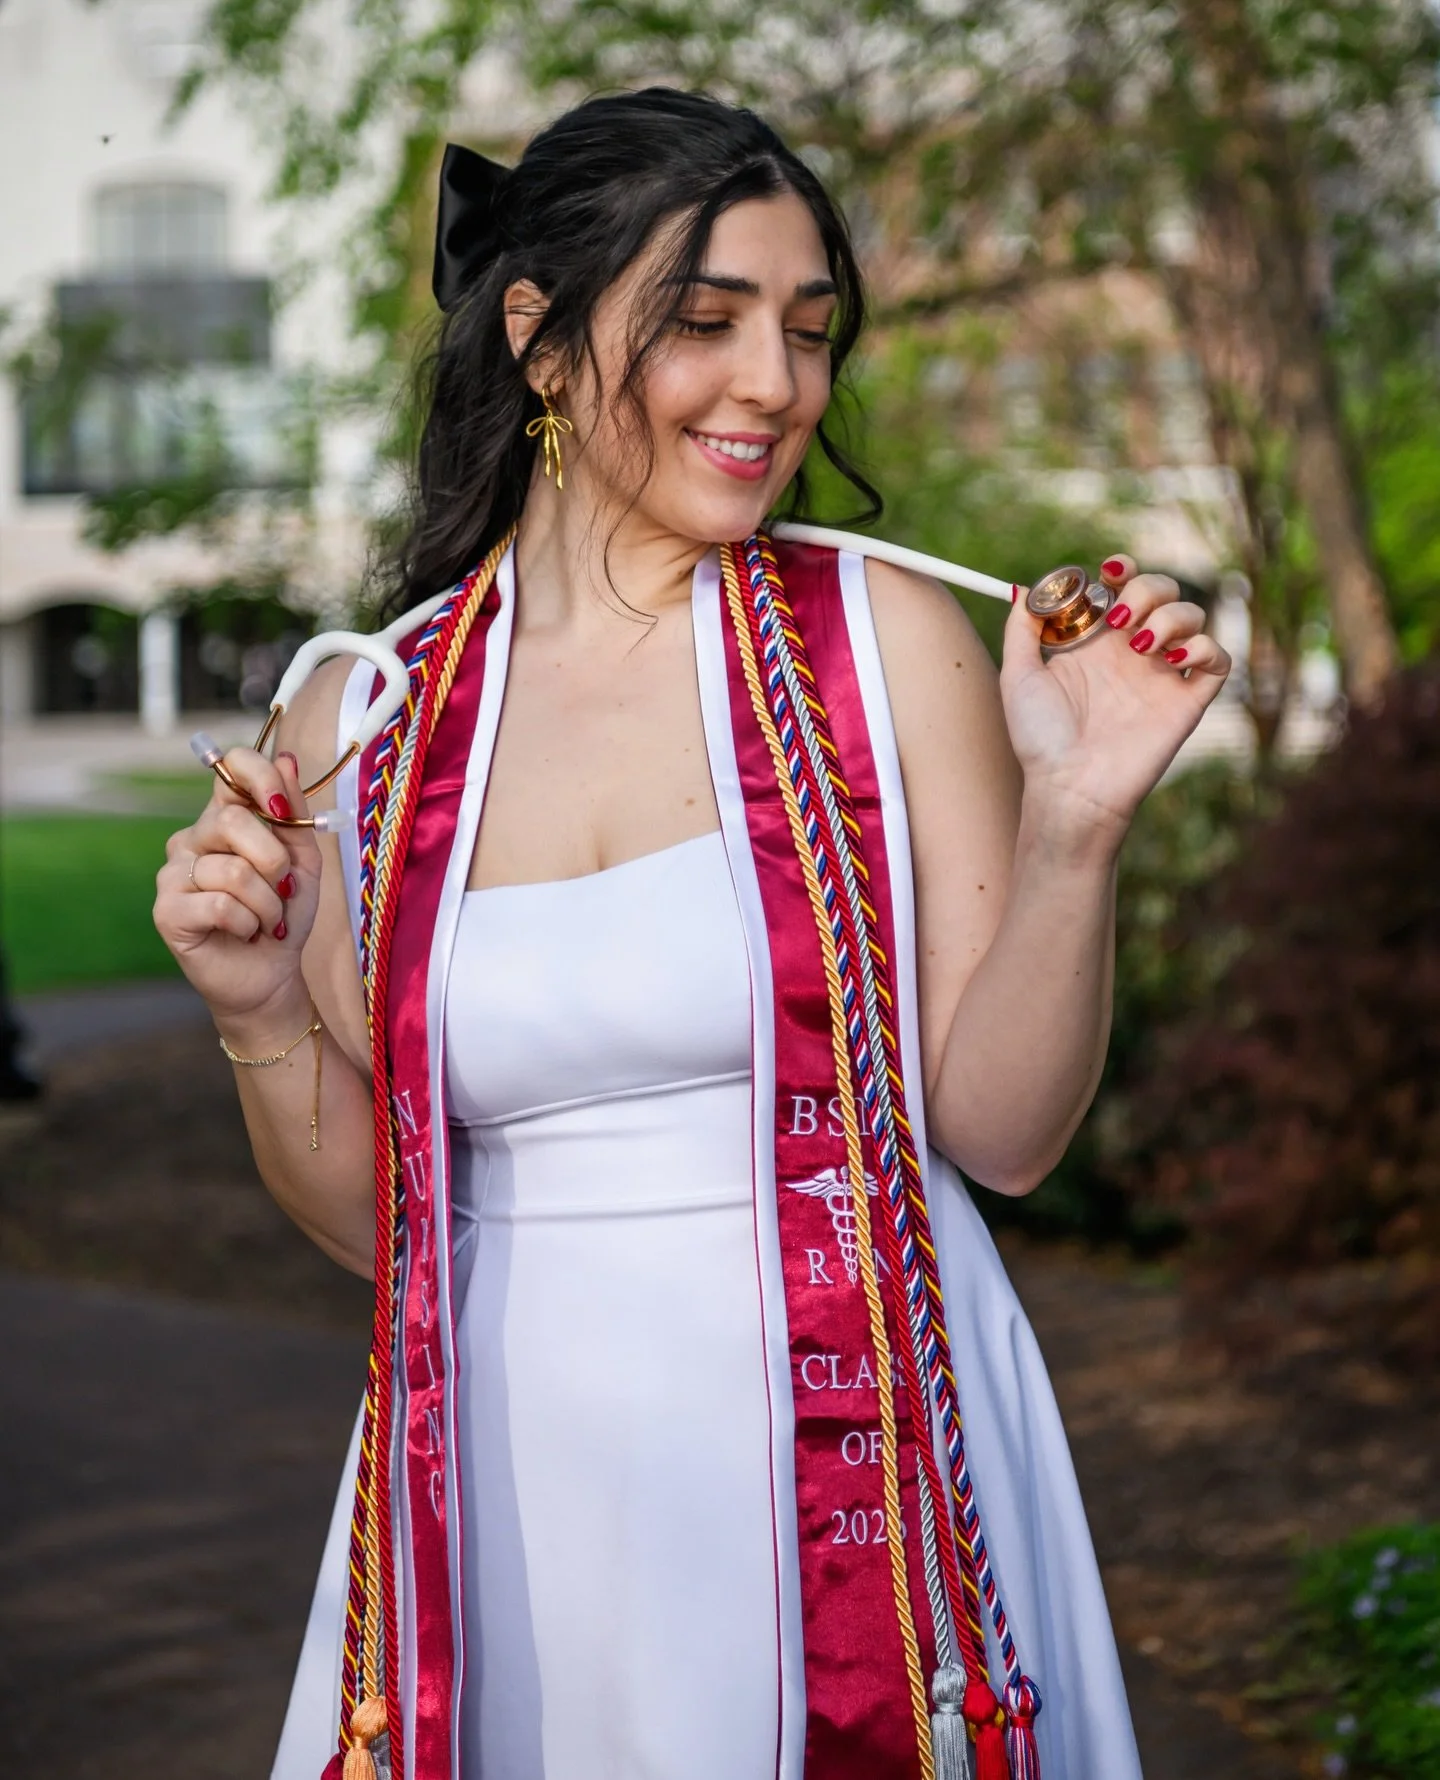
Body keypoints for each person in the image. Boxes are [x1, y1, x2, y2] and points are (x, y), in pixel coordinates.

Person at [153, 88, 1228, 1780]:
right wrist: (256, 1009)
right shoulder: (359, 723)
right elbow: (381, 1233)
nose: (775, 385)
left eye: (807, 329)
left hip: (870, 1458)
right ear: (541, 340)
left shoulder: (882, 639)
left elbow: (1008, 1138)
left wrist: (1076, 824)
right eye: (705, 321)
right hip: (511, 1484)